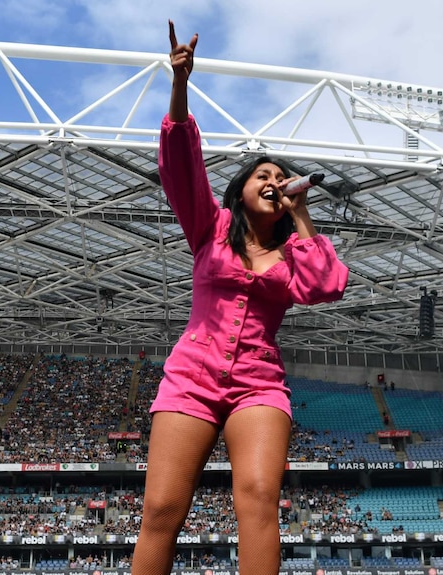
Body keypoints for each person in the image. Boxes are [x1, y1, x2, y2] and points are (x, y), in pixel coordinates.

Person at [131, 21, 349, 575]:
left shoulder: (295, 252)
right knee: (160, 509)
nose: (275, 180)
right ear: (243, 188)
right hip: (191, 377)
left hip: (258, 382)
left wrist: (301, 211)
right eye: (264, 175)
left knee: (256, 500)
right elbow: (180, 167)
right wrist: (179, 86)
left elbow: (326, 285)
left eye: (282, 176)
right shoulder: (210, 227)